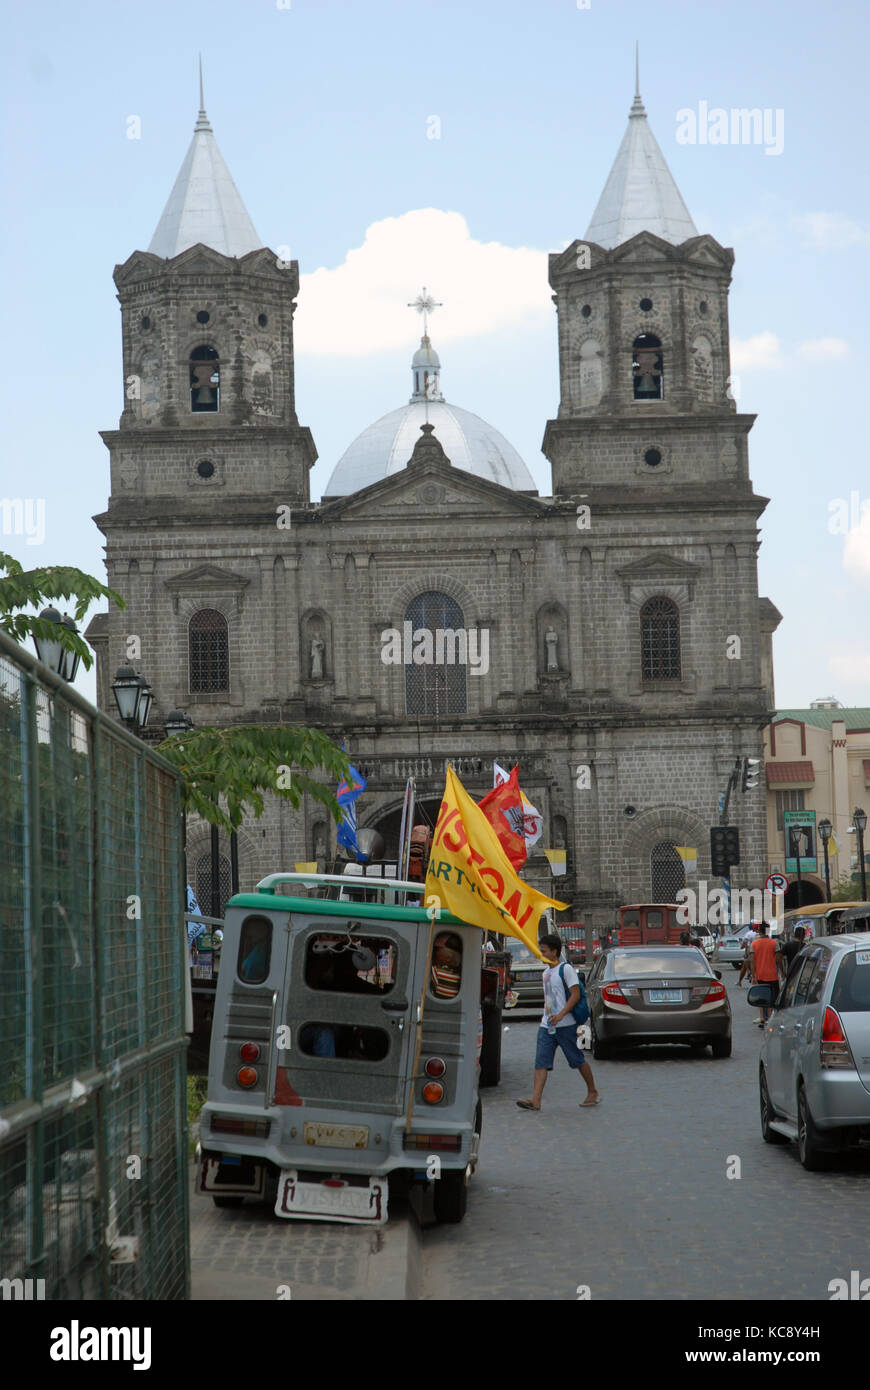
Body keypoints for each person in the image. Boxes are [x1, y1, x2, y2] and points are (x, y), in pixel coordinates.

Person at [516, 934, 600, 1110]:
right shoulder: (546, 972)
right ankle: (535, 1100)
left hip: (566, 1025)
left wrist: (561, 1014)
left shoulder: (566, 969)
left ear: (554, 952)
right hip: (547, 1025)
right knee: (541, 1061)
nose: (541, 954)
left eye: (544, 951)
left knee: (577, 1060)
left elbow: (575, 994)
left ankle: (592, 1091)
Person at [750, 922, 780, 1026]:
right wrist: (783, 972)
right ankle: (770, 1018)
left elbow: (752, 961)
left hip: (760, 974)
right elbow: (778, 959)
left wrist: (753, 976)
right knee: (772, 996)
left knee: (762, 996)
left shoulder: (754, 944)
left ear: (759, 930)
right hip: (772, 974)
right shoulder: (774, 943)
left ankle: (762, 1017)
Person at [430, 932, 462, 998]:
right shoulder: (460, 974)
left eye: (438, 949)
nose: (434, 952)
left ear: (449, 957)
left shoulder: (436, 971)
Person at [737, 922, 759, 988]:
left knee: (745, 965)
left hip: (750, 952)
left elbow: (745, 943)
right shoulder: (761, 933)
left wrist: (743, 948)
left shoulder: (749, 933)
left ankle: (741, 980)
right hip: (759, 952)